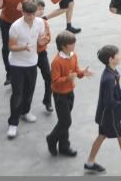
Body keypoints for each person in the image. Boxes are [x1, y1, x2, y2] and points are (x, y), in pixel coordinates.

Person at [84, 45, 121, 175]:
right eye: (118, 54)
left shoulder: (111, 72)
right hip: (110, 116)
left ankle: (90, 163)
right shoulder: (109, 78)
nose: (120, 56)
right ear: (111, 59)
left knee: (102, 136)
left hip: (104, 115)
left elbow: (114, 93)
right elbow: (110, 102)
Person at [46, 30, 93, 158]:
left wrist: (83, 72)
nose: (74, 45)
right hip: (60, 95)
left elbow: (76, 70)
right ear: (63, 46)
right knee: (65, 121)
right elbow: (55, 81)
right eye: (72, 43)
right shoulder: (56, 62)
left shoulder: (73, 55)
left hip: (70, 92)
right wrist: (67, 78)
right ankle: (51, 139)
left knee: (63, 121)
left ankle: (63, 146)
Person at [6, 0, 49, 139]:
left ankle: (26, 111)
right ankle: (13, 122)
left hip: (32, 62)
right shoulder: (15, 26)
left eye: (33, 13)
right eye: (28, 14)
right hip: (17, 64)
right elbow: (11, 47)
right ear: (23, 12)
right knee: (17, 94)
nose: (31, 16)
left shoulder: (40, 23)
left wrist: (43, 41)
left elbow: (42, 39)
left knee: (29, 90)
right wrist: (23, 48)